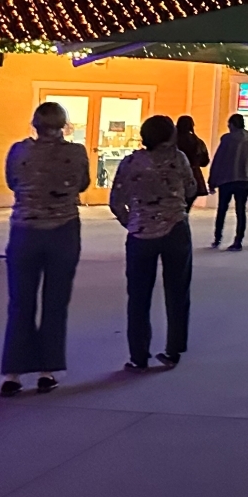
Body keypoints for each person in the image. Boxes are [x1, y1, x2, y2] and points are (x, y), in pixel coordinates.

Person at [0, 102, 89, 396]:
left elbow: (12, 182)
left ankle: (12, 374)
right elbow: (82, 184)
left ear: (35, 124)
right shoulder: (76, 153)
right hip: (63, 230)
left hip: (24, 230)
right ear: (63, 125)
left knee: (20, 302)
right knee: (56, 302)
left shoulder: (18, 152)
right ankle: (47, 371)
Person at [109, 114, 198, 371]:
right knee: (177, 291)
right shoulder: (178, 159)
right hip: (176, 229)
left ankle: (138, 355)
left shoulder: (130, 163)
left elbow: (116, 200)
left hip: (140, 234)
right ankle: (173, 350)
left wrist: (131, 221)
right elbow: (191, 188)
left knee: (138, 295)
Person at [206, 112, 248, 249]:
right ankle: (238, 241)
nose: (228, 127)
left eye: (229, 124)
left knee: (222, 209)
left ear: (233, 124)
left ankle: (218, 238)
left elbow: (219, 160)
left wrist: (212, 180)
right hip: (245, 179)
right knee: (240, 211)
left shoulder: (227, 139)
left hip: (227, 179)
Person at [175, 115, 211, 205]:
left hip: (174, 174)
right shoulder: (197, 141)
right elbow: (205, 161)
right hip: (194, 174)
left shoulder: (172, 141)